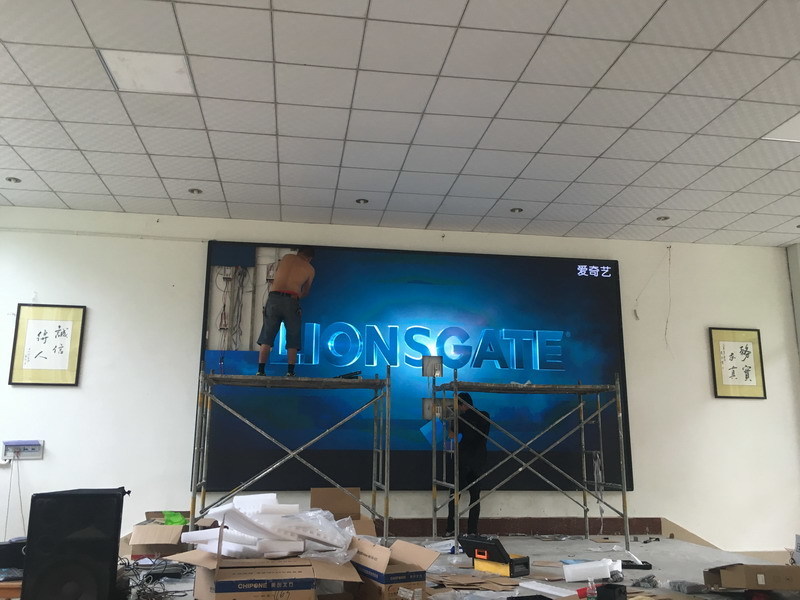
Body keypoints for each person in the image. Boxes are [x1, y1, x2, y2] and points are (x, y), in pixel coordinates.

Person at [256, 247, 315, 377]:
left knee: (267, 335)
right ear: (310, 258)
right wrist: (296, 297)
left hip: (274, 298)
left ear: (298, 253)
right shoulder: (310, 269)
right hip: (291, 299)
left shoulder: (287, 258)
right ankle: (290, 371)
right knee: (293, 336)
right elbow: (305, 291)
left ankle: (260, 370)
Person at [445, 392, 490, 536]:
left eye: (458, 406)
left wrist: (450, 422)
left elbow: (451, 436)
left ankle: (450, 528)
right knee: (475, 496)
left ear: (463, 404)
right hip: (479, 459)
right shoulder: (485, 416)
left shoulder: (460, 418)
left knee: (454, 494)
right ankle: (472, 531)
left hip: (463, 459)